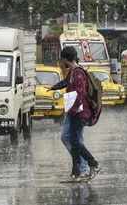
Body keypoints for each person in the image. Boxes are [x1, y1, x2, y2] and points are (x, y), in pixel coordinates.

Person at [47, 46, 100, 180]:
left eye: (62, 59)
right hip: (74, 111)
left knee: (75, 142)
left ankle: (93, 163)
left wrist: (74, 110)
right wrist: (53, 87)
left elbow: (80, 94)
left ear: (65, 59)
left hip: (79, 112)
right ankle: (77, 172)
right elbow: (66, 82)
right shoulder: (73, 72)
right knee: (73, 140)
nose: (61, 62)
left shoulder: (78, 73)